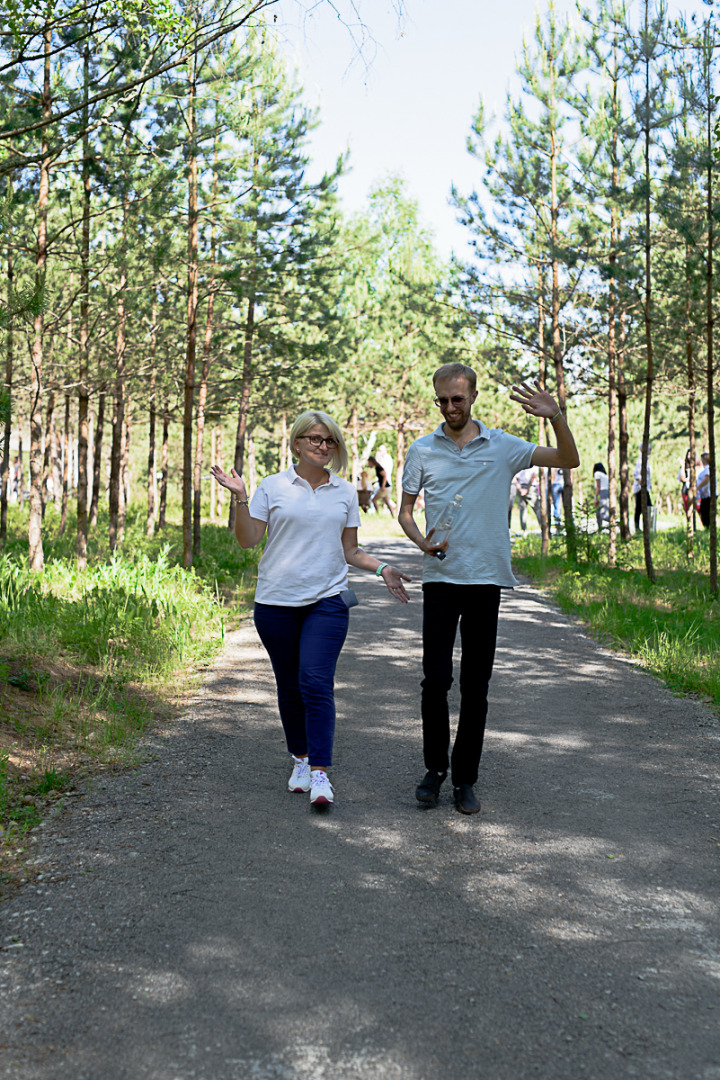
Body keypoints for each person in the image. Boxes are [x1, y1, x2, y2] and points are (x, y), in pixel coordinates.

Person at [398, 364, 579, 816]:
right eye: (441, 400)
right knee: (436, 681)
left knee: (476, 686)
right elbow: (404, 512)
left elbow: (567, 459)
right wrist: (422, 542)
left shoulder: (503, 447)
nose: (449, 407)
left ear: (473, 396)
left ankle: (465, 779)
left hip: (485, 581)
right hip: (440, 580)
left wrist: (556, 415)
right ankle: (434, 771)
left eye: (457, 399)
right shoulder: (422, 450)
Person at [210, 410, 411, 808]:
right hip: (275, 603)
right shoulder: (273, 486)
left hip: (328, 601)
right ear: (297, 443)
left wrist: (383, 568)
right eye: (315, 439)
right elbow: (249, 540)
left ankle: (320, 773)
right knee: (289, 685)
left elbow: (349, 550)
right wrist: (240, 497)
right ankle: (299, 760)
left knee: (315, 682)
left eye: (329, 441)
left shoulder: (344, 492)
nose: (322, 446)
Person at [368, 451, 396, 517]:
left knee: (373, 500)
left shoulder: (378, 468)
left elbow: (384, 476)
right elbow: (381, 478)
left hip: (385, 487)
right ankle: (393, 515)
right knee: (387, 501)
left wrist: (383, 486)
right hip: (388, 487)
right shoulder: (377, 467)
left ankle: (378, 514)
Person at [632, 444, 652, 532]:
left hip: (644, 488)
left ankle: (646, 527)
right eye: (649, 449)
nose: (650, 451)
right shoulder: (641, 460)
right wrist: (642, 484)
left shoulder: (646, 460)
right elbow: (636, 474)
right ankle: (639, 528)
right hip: (640, 488)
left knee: (643, 508)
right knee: (645, 507)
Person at [697, 451, 715, 529]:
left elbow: (707, 480)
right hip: (705, 495)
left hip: (709, 495)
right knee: (703, 512)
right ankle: (707, 528)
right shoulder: (705, 468)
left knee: (705, 513)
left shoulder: (708, 468)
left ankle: (708, 528)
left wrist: (697, 488)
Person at [593, 462, 609, 531]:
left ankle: (615, 523)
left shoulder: (597, 474)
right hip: (606, 492)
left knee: (603, 514)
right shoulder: (605, 475)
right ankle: (600, 529)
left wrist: (595, 497)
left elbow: (598, 486)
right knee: (598, 513)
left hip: (602, 493)